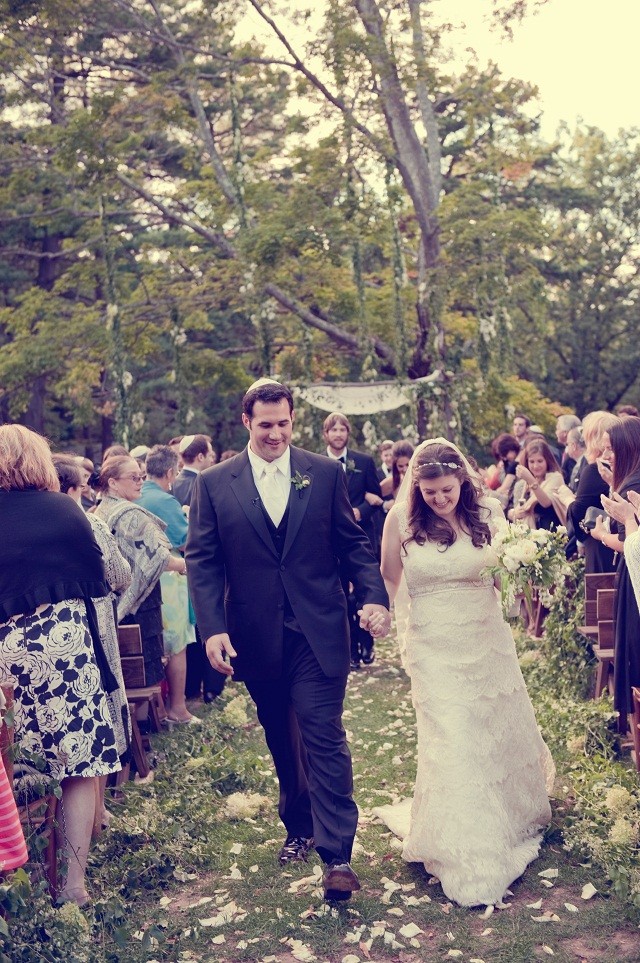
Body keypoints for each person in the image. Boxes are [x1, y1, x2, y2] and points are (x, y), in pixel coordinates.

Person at [186, 378, 390, 902]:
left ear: (293, 420)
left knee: (323, 731)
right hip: (255, 636)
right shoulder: (213, 483)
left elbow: (353, 544)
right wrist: (212, 628)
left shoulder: (322, 474)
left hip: (318, 630)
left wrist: (373, 597)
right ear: (246, 423)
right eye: (266, 425)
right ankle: (298, 823)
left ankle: (337, 855)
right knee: (282, 734)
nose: (276, 433)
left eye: (284, 424)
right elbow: (203, 561)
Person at [376, 438, 554, 908]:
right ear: (418, 489)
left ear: (462, 482)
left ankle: (505, 815)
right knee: (452, 734)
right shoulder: (402, 520)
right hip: (434, 644)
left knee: (487, 728)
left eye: (446, 491)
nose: (439, 499)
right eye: (430, 493)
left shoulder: (488, 516)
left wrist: (521, 568)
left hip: (484, 637)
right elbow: (391, 575)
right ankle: (463, 842)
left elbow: (501, 574)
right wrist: (407, 627)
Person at [0, 425, 120, 905]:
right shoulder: (66, 510)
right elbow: (104, 577)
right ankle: (72, 887)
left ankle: (16, 884)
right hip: (66, 649)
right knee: (78, 766)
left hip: (5, 656)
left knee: (10, 767)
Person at [54, 456, 133, 828]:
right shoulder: (90, 522)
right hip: (93, 628)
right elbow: (121, 574)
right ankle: (97, 812)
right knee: (97, 718)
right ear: (73, 489)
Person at [93, 456, 187, 697]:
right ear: (113, 483)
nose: (140, 482)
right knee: (143, 663)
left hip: (117, 600)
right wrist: (184, 565)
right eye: (134, 478)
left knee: (131, 664)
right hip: (139, 603)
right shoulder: (128, 513)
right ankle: (145, 724)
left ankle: (145, 722)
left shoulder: (102, 508)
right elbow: (158, 557)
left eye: (142, 477)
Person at [137, 445, 200, 725]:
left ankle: (159, 709)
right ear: (172, 472)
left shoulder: (138, 494)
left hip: (141, 580)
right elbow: (187, 540)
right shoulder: (164, 501)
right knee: (177, 643)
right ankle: (177, 708)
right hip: (168, 578)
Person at [322, 411, 383, 668]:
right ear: (326, 434)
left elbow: (376, 498)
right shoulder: (313, 463)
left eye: (342, 429)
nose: (338, 434)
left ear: (348, 433)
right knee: (338, 597)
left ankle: (366, 644)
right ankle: (349, 653)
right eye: (333, 430)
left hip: (359, 539)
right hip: (328, 542)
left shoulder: (364, 461)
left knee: (362, 595)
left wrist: (361, 510)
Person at [594, 417, 640, 732]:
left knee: (634, 653)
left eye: (611, 449)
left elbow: (629, 543)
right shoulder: (631, 480)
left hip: (636, 579)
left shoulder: (635, 485)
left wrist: (602, 536)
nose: (606, 454)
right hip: (630, 575)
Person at [170, 434, 223, 705]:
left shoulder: (173, 485)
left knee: (189, 629)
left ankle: (191, 688)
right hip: (199, 564)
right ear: (200, 456)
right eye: (209, 452)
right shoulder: (207, 483)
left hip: (179, 574)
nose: (212, 456)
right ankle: (212, 686)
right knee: (207, 621)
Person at [566, 411, 620, 573]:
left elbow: (579, 510)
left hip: (601, 545)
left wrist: (567, 500)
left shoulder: (595, 469)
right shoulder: (624, 466)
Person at [510, 439, 564, 530]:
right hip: (530, 536)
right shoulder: (525, 483)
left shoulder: (556, 477)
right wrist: (514, 513)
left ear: (547, 461)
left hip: (552, 534)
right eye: (531, 462)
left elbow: (546, 502)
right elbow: (518, 508)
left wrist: (531, 481)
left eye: (540, 461)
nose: (535, 466)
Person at [171, 434, 216, 508]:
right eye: (210, 455)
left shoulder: (171, 484)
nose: (212, 460)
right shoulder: (204, 486)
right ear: (200, 457)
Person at [556, 414, 581, 484]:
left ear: (565, 433)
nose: (556, 432)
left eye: (558, 429)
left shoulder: (575, 452)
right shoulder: (565, 451)